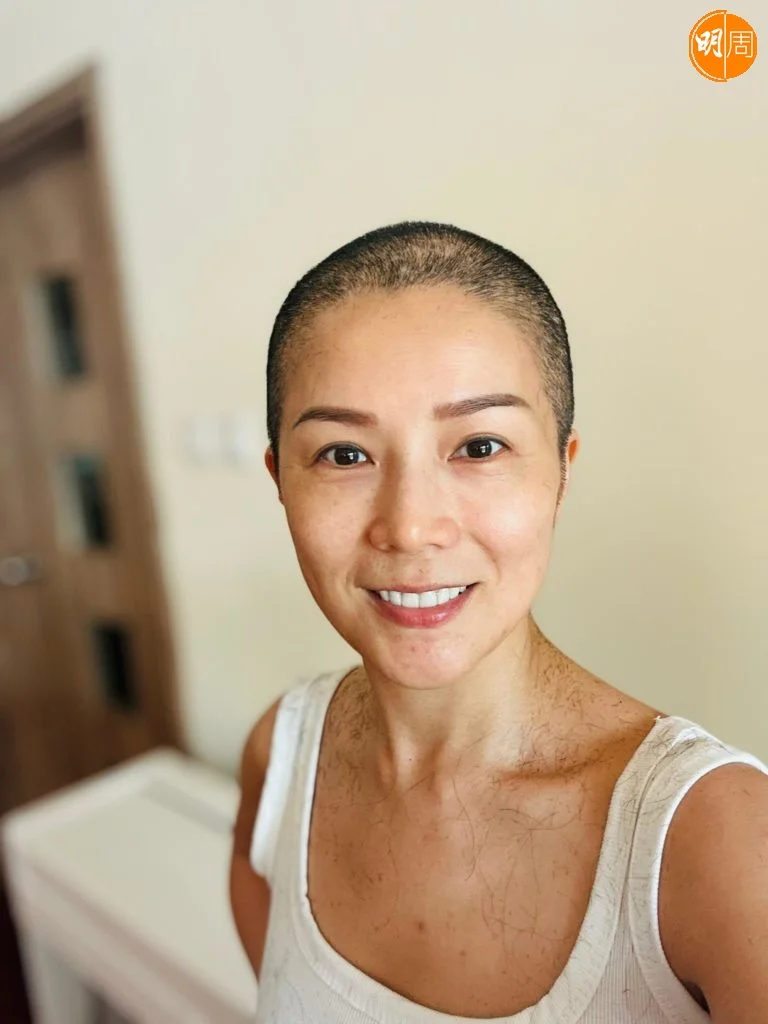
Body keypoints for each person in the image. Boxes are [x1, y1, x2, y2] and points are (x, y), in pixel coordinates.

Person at [229, 222, 768, 1023]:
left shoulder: (715, 842)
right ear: (280, 479)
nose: (410, 527)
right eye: (344, 455)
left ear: (562, 472)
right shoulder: (280, 757)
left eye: (479, 446)